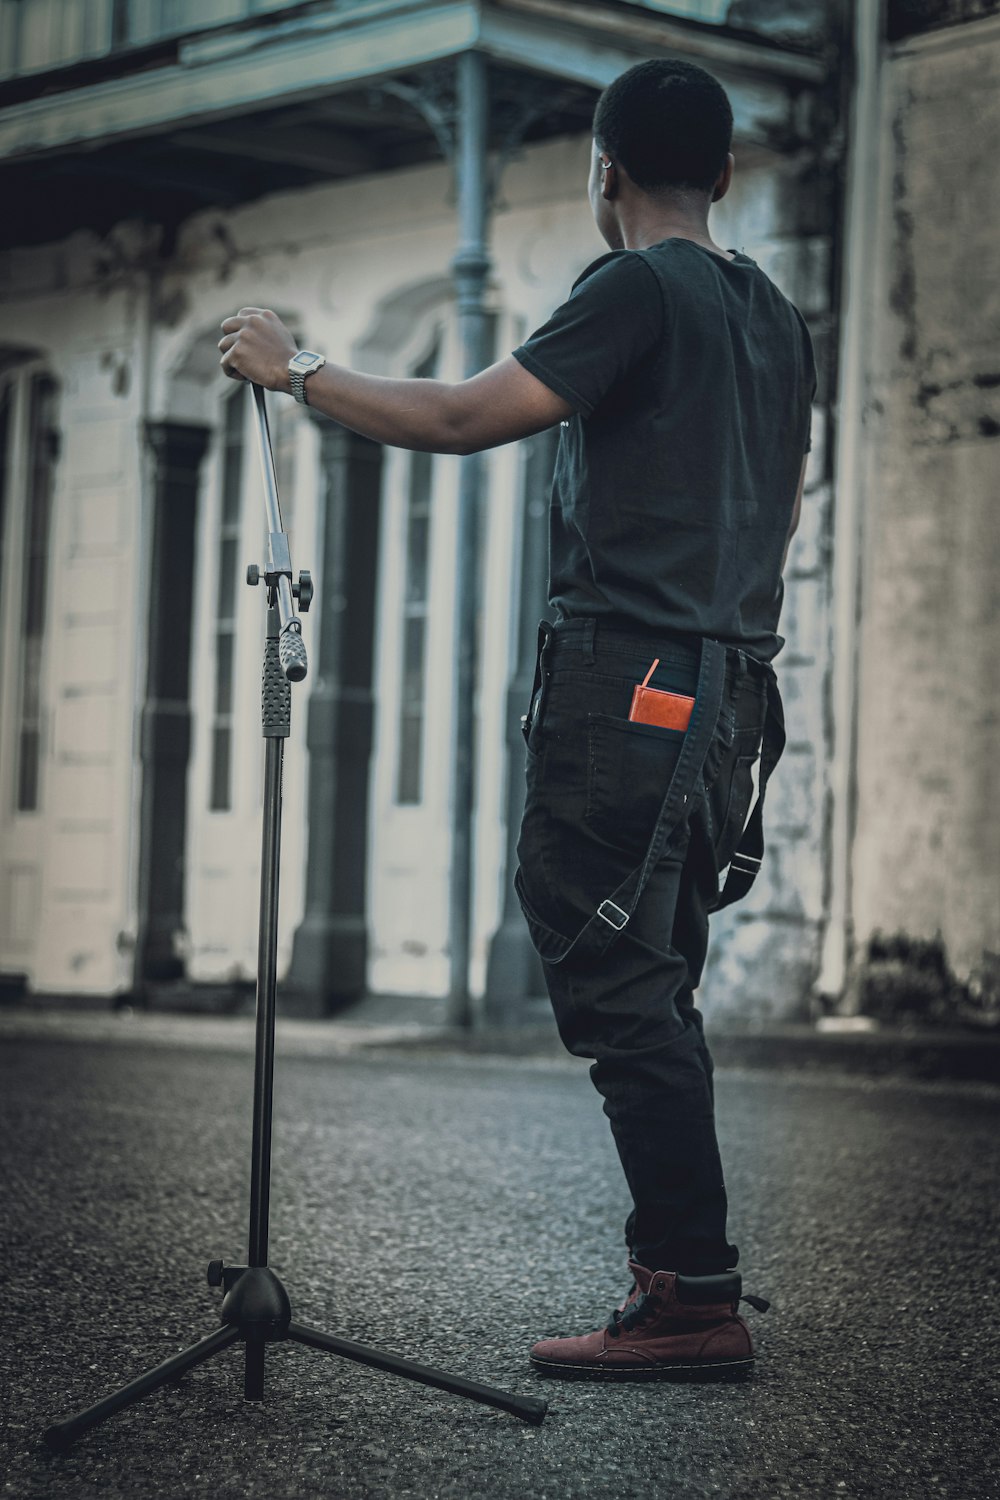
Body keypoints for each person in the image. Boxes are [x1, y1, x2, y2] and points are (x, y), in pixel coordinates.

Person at [219, 58, 815, 1383]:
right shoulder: (775, 316)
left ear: (603, 175)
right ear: (719, 173)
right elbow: (766, 507)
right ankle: (690, 1278)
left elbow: (466, 411)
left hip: (634, 683)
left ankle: (692, 1301)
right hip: (729, 696)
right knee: (657, 981)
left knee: (615, 974)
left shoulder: (635, 286)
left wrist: (296, 368)